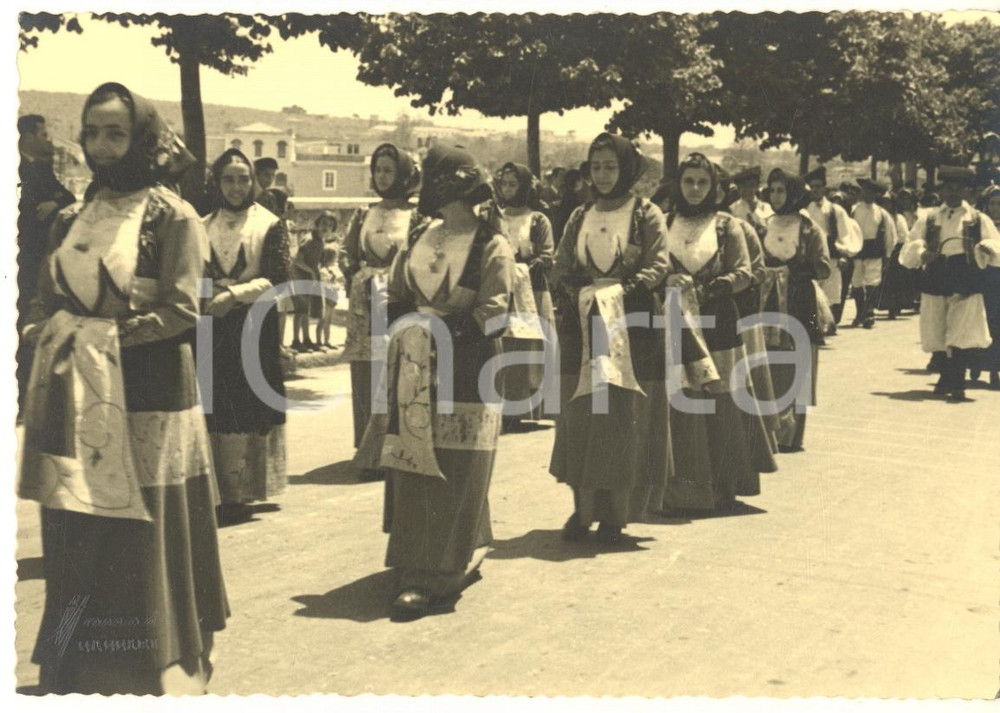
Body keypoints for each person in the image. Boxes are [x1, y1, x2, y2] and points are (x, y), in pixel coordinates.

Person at [17, 82, 228, 695]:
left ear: (143, 139)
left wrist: (101, 335)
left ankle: (154, 669)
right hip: (76, 394)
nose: (102, 145)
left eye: (117, 132)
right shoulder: (69, 217)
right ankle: (71, 666)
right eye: (92, 132)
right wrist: (38, 328)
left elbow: (182, 309)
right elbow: (43, 297)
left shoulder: (172, 216)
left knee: (141, 530)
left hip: (148, 391)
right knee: (76, 526)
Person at [354, 145, 513, 620]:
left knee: (457, 466)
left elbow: (495, 313)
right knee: (415, 461)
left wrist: (441, 330)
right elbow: (397, 293)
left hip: (467, 368)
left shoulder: (491, 244)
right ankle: (425, 556)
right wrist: (406, 323)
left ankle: (433, 575)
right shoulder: (419, 236)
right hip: (415, 364)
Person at [549, 133, 670, 544]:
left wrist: (627, 289)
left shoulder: (645, 213)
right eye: (596, 167)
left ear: (627, 169)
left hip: (631, 324)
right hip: (583, 324)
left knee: (622, 417)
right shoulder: (579, 215)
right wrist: (573, 289)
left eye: (610, 167)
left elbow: (659, 263)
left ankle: (616, 516)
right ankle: (582, 511)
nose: (602, 176)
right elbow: (561, 263)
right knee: (582, 414)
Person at [656, 155, 777, 515]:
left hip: (718, 321)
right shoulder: (665, 223)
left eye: (702, 182)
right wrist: (668, 280)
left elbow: (745, 271)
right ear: (678, 185)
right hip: (676, 322)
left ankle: (724, 487)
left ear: (714, 187)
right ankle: (682, 489)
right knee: (681, 400)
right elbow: (653, 266)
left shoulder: (727, 225)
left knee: (721, 401)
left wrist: (711, 288)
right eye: (688, 181)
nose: (694, 189)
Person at [201, 148, 291, 523]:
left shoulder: (269, 224)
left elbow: (279, 278)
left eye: (243, 179)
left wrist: (234, 295)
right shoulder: (202, 224)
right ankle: (219, 491)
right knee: (215, 405)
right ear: (217, 182)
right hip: (212, 325)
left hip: (252, 325)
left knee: (245, 405)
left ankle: (240, 493)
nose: (236, 187)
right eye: (228, 179)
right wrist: (207, 295)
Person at [340, 143, 423, 456]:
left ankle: (396, 446)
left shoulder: (416, 216)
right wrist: (355, 274)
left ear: (403, 174)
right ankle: (368, 448)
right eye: (378, 170)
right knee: (367, 371)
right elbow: (347, 251)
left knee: (398, 370)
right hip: (366, 302)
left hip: (400, 300)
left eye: (389, 170)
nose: (382, 176)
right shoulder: (364, 213)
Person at [899, 166, 1000, 402]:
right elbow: (912, 244)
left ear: (965, 191)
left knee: (961, 330)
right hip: (936, 275)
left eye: (958, 188)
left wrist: (986, 249)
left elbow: (994, 243)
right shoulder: (929, 218)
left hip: (966, 277)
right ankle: (946, 374)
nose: (953, 192)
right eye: (949, 188)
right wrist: (922, 253)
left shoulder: (977, 218)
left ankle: (957, 382)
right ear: (942, 190)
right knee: (938, 329)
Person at [760, 169, 833, 452]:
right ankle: (768, 431)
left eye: (782, 190)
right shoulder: (763, 225)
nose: (777, 196)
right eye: (773, 190)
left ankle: (790, 435)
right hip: (767, 302)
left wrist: (794, 270)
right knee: (768, 361)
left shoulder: (809, 229)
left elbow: (823, 266)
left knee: (797, 361)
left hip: (799, 300)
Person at [16, 114, 78, 415]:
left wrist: (55, 202)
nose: (49, 139)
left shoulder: (41, 167)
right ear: (26, 137)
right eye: (43, 135)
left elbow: (67, 196)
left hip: (38, 260)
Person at [494, 162, 556, 429]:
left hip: (531, 289)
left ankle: (529, 408)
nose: (508, 189)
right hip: (502, 289)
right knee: (504, 347)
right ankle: (505, 407)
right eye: (504, 184)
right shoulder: (495, 217)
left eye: (513, 184)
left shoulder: (538, 220)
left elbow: (547, 254)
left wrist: (528, 264)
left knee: (529, 348)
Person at [805, 166, 862, 333]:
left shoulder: (835, 210)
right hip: (811, 258)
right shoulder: (805, 209)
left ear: (824, 187)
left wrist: (843, 254)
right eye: (812, 187)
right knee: (813, 293)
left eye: (818, 186)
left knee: (830, 294)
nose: (815, 190)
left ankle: (827, 324)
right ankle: (816, 327)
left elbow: (844, 235)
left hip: (831, 257)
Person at [849, 178, 898, 329]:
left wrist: (888, 253)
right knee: (857, 282)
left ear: (876, 195)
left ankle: (869, 312)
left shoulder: (881, 213)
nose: (868, 195)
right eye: (865, 191)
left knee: (872, 282)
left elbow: (890, 235)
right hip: (857, 251)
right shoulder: (854, 211)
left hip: (874, 251)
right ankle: (859, 312)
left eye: (871, 192)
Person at [969, 184, 1000, 389]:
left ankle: (995, 370)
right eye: (993, 204)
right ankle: (977, 363)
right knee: (983, 321)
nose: (996, 208)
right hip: (984, 278)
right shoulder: (979, 227)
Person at [874, 190, 919, 320]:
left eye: (888, 202)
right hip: (882, 250)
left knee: (896, 281)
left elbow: (904, 235)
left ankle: (895, 307)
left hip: (896, 251)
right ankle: (885, 305)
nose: (886, 205)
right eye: (883, 202)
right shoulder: (879, 216)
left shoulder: (899, 218)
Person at [290, 213, 330, 352]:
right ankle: (296, 340)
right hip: (300, 276)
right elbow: (297, 261)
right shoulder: (309, 240)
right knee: (300, 310)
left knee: (306, 310)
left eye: (330, 226)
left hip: (310, 277)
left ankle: (306, 339)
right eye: (324, 223)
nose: (326, 227)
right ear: (317, 224)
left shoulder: (320, 241)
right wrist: (311, 272)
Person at [316, 214, 344, 350]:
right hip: (325, 281)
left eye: (331, 225)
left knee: (329, 315)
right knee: (323, 315)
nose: (327, 228)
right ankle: (318, 341)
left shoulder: (336, 242)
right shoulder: (319, 242)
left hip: (334, 283)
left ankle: (327, 340)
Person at [730, 166, 773, 234]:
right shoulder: (733, 209)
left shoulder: (766, 208)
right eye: (743, 186)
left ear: (757, 187)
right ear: (738, 188)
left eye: (751, 186)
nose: (747, 190)